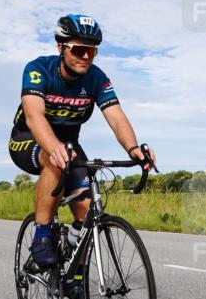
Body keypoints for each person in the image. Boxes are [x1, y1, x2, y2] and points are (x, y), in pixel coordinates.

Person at [9, 14, 156, 273]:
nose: (86, 57)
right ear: (61, 48)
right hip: (28, 139)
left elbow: (116, 117)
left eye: (92, 50)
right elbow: (34, 116)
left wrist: (133, 149)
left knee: (87, 211)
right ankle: (42, 235)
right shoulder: (38, 69)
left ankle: (77, 279)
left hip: (69, 144)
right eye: (79, 49)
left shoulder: (96, 78)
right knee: (55, 160)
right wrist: (53, 147)